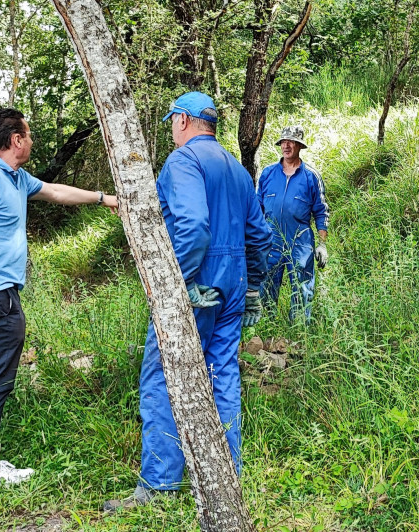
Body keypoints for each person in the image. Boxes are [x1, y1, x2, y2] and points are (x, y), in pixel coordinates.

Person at [0, 108, 119, 485]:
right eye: (28, 136)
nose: (31, 141)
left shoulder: (13, 177)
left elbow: (54, 191)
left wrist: (102, 198)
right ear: (16, 140)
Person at [105, 91, 271, 510]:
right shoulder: (235, 168)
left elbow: (194, 226)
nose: (172, 130)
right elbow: (260, 236)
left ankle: (158, 486)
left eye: (172, 122)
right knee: (223, 375)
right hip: (233, 283)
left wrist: (180, 282)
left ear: (183, 120)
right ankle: (224, 476)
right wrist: (252, 288)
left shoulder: (184, 161)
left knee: (162, 374)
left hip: (197, 282)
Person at [256, 125, 330, 321]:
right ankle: (266, 330)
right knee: (267, 285)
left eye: (291, 142)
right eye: (283, 142)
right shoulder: (268, 174)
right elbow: (257, 209)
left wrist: (322, 245)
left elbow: (321, 211)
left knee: (302, 286)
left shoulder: (311, 177)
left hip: (300, 241)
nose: (286, 146)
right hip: (272, 240)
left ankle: (299, 334)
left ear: (299, 146)